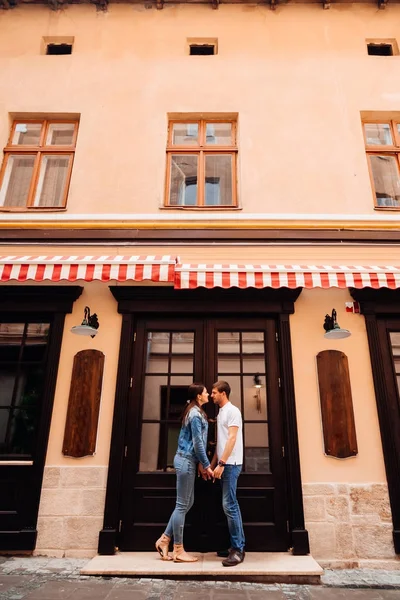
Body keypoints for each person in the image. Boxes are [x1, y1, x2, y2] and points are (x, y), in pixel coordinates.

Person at [155, 383, 214, 563]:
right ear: (198, 396)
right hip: (186, 460)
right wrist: (206, 465)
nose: (208, 395)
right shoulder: (195, 415)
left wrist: (200, 463)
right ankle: (178, 550)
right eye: (205, 392)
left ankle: (164, 539)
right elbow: (197, 443)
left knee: (187, 503)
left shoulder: (196, 412)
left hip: (188, 460)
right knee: (182, 505)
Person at [210, 380, 245, 567]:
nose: (211, 395)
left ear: (223, 393)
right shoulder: (221, 412)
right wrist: (212, 465)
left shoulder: (233, 411)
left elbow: (232, 438)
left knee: (230, 505)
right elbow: (220, 442)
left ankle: (238, 549)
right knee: (228, 505)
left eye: (214, 392)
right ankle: (233, 546)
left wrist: (222, 464)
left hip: (231, 464)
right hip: (224, 464)